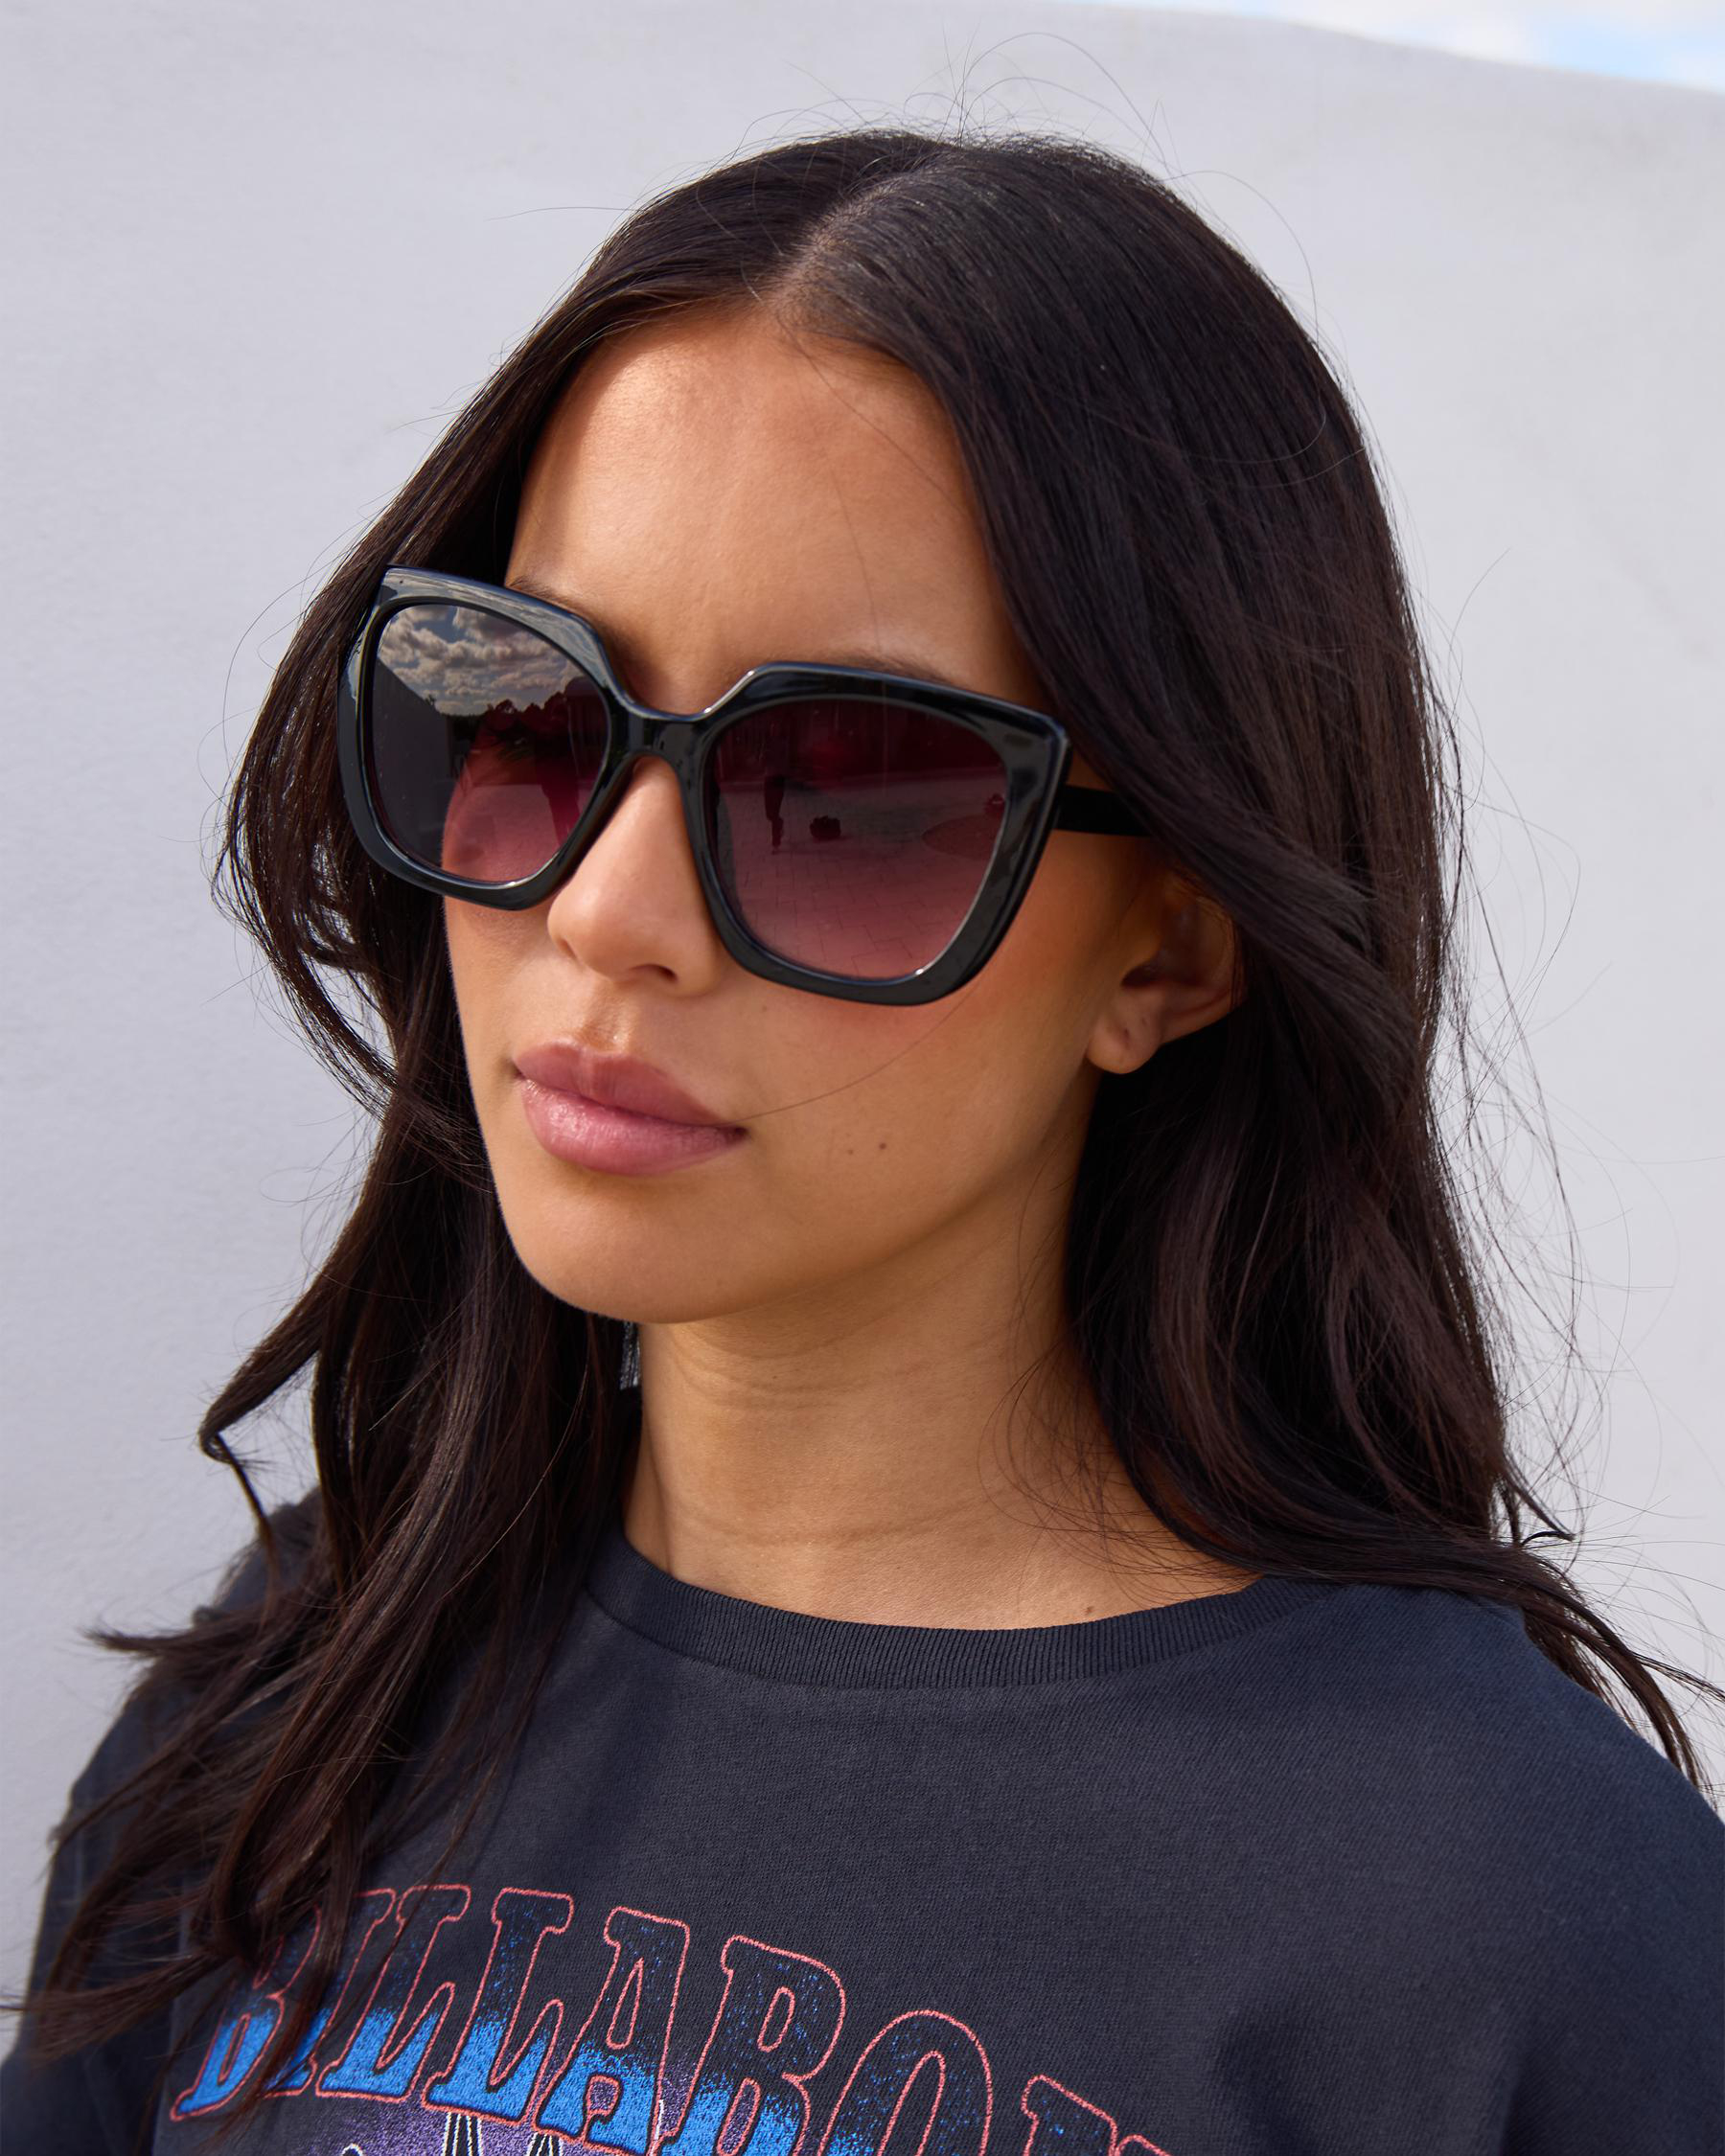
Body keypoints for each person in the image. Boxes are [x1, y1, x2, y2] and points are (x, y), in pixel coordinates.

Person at [2, 125, 1719, 2156]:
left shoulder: (1528, 1930)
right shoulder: (293, 1694)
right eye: (527, 712)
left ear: (1171, 945)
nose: (607, 912)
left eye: (846, 791)